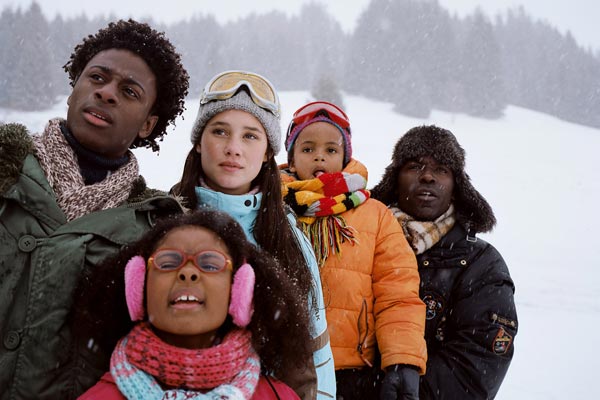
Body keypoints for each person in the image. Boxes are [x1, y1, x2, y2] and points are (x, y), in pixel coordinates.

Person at [0, 19, 189, 399]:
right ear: (73, 90)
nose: (106, 93)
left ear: (148, 124)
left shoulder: (156, 229)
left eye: (129, 92)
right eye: (97, 78)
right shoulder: (5, 171)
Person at [171, 70, 335, 399]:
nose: (233, 148)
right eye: (219, 131)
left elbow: (316, 349)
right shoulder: (164, 222)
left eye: (250, 136)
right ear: (199, 144)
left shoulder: (289, 237)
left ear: (267, 154)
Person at [74, 210, 312, 399]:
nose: (188, 273)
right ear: (138, 285)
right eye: (167, 262)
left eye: (209, 264)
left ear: (240, 289)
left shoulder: (279, 397)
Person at [279, 101, 427, 400]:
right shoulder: (270, 207)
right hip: (280, 370)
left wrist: (402, 360)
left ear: (346, 158)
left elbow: (398, 295)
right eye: (307, 149)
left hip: (352, 375)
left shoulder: (375, 215)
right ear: (291, 160)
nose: (320, 155)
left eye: (331, 150)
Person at [370, 125, 518, 399]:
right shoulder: (358, 242)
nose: (427, 176)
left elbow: (476, 366)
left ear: (456, 186)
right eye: (415, 166)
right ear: (394, 180)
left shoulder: (482, 264)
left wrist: (389, 391)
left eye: (442, 169)